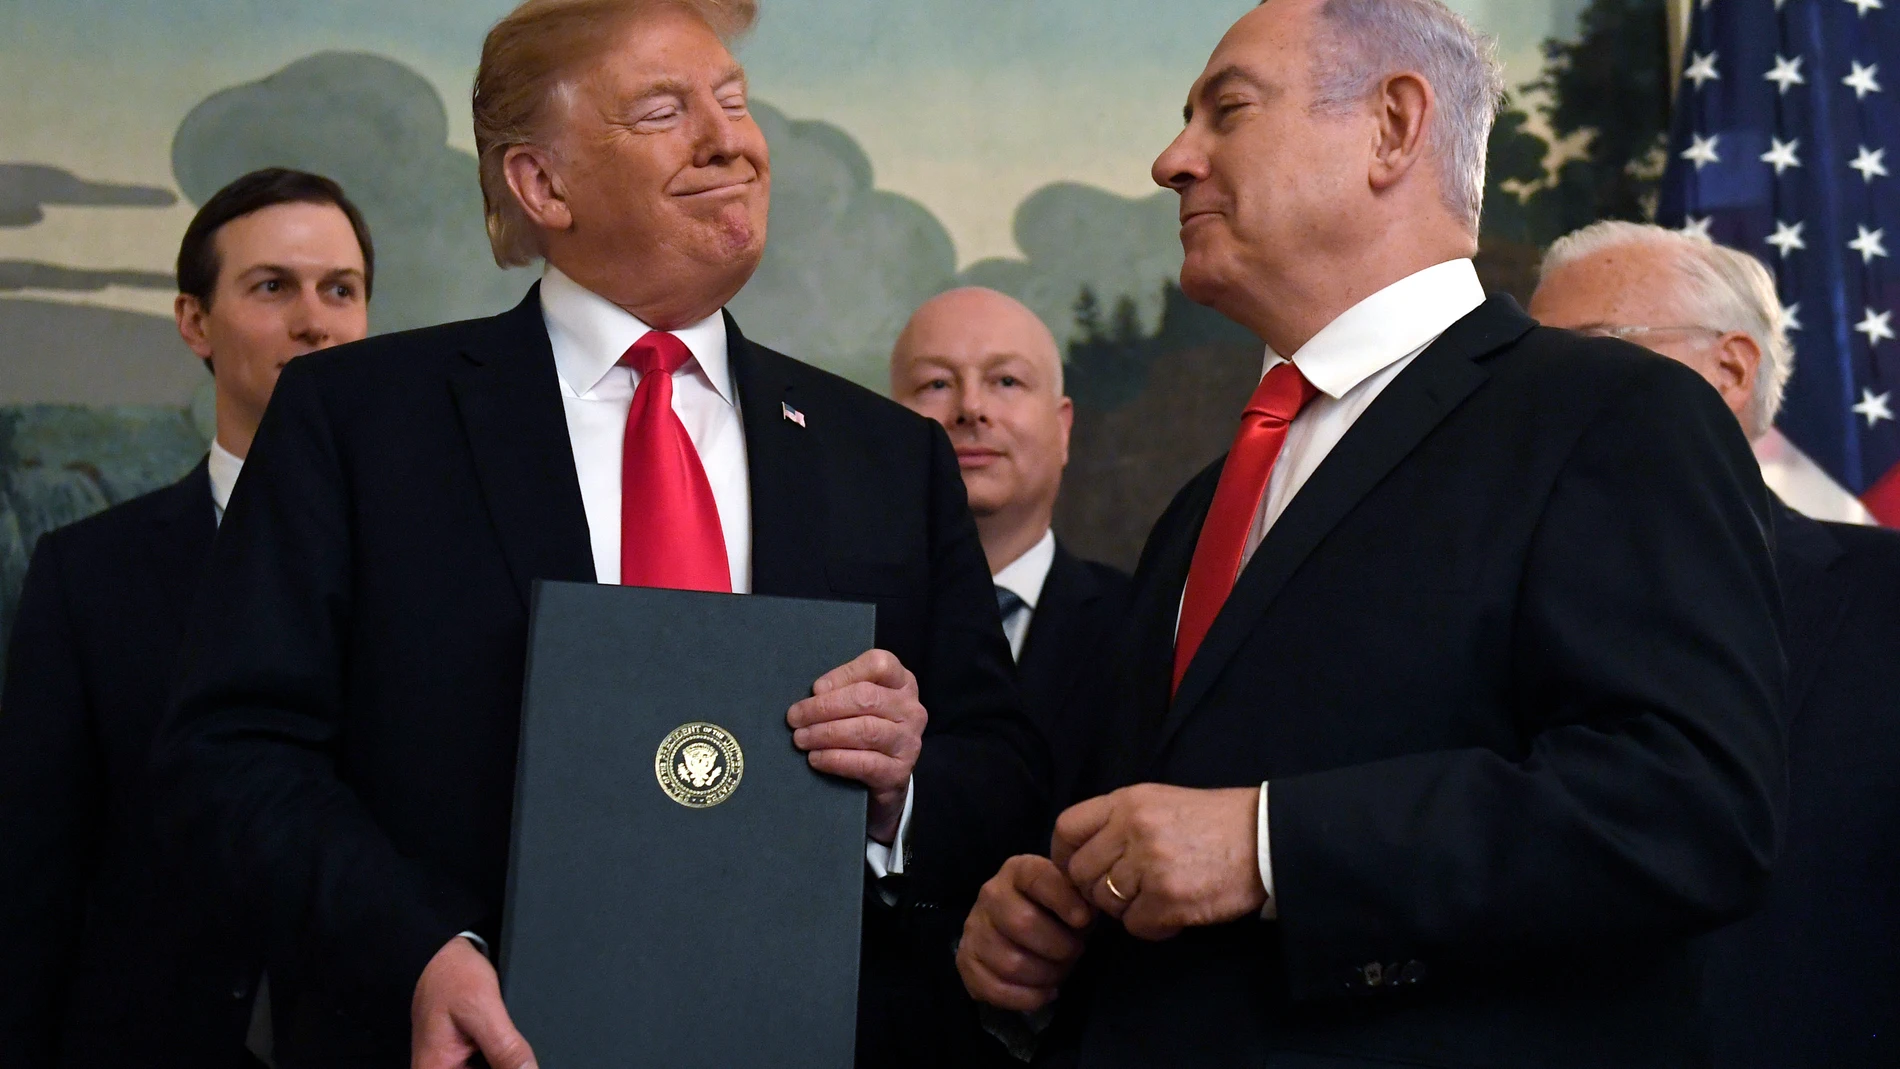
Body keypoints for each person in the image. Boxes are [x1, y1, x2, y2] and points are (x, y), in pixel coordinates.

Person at [150, 2, 1045, 1067]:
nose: (731, 141)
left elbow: (1001, 771)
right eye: (665, 110)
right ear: (541, 184)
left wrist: (902, 788)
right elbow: (233, 757)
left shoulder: (888, 457)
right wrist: (421, 950)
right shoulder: (357, 422)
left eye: (734, 102)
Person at [955, 2, 1784, 1067]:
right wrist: (1052, 932)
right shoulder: (1199, 506)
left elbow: (1688, 808)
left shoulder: (1610, 415)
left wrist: (1267, 847)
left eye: (1226, 111)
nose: (1172, 161)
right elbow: (1160, 846)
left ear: (1394, 125)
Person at [0, 167, 374, 1068]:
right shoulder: (85, 575)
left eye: (341, 290)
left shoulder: (437, 556)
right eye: (272, 286)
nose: (314, 320)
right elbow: (33, 882)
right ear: (194, 322)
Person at [1530, 220, 1900, 1069]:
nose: (1536, 398)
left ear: (1730, 370)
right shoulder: (1474, 599)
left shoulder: (1886, 600)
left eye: (1586, 353)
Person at [890, 287, 1134, 812]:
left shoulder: (1146, 627)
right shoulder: (843, 628)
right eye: (935, 383)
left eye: (1006, 380)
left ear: (1063, 427)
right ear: (888, 427)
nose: (971, 408)